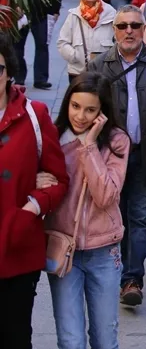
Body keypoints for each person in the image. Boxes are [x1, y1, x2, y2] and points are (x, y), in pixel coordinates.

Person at [88, 5, 146, 307]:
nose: (129, 31)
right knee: (115, 219)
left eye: (135, 25)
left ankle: (131, 279)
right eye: (122, 26)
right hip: (110, 158)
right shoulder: (99, 66)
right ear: (113, 30)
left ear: (144, 28)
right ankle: (114, 274)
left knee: (141, 218)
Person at [45, 73, 129, 349]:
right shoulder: (53, 139)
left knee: (105, 339)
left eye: (90, 109)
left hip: (104, 251)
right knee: (71, 340)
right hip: (62, 248)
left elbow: (106, 195)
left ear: (102, 112)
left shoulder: (116, 142)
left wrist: (90, 146)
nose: (80, 116)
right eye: (75, 106)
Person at [0, 35, 68, 349]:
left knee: (15, 336)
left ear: (8, 71)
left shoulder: (34, 114)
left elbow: (59, 179)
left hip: (18, 246)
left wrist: (34, 205)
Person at [57, 0, 117, 82]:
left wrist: (111, 61)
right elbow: (62, 42)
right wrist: (74, 56)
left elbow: (118, 40)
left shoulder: (111, 12)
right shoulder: (74, 15)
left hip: (104, 71)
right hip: (78, 71)